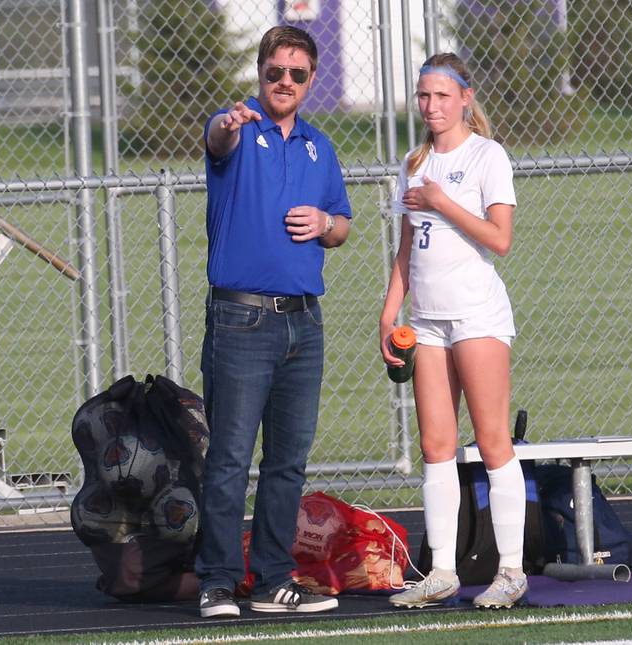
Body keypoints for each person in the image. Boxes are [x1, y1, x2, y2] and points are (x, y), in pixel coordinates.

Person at [196, 26, 352, 619]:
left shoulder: (319, 145)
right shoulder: (239, 127)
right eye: (274, 72)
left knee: (287, 461)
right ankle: (217, 581)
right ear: (260, 74)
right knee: (231, 457)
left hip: (302, 324)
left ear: (311, 80)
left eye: (297, 74)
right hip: (241, 318)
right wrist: (228, 127)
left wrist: (324, 223)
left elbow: (342, 224)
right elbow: (216, 140)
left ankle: (271, 578)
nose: (284, 82)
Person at [380, 53, 527, 609]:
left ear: (465, 98)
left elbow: (501, 239)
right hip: (428, 320)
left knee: (492, 441)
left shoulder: (486, 155)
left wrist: (442, 202)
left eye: (442, 96)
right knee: (436, 446)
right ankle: (442, 570)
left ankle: (511, 570)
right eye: (424, 96)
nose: (431, 106)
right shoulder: (414, 161)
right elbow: (404, 251)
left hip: (476, 315)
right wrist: (389, 312)